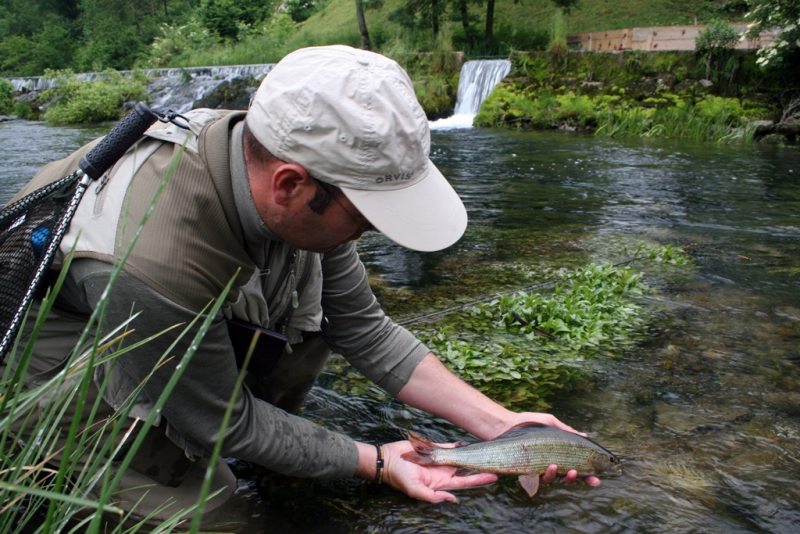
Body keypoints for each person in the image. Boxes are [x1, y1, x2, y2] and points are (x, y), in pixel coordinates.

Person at [5, 45, 599, 525]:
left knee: (312, 326)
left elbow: (362, 329)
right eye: (366, 217)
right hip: (64, 361)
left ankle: (277, 451)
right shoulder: (152, 260)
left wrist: (503, 427)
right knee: (225, 520)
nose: (370, 234)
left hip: (175, 322)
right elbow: (223, 422)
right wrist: (376, 463)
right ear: (290, 186)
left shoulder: (275, 160)